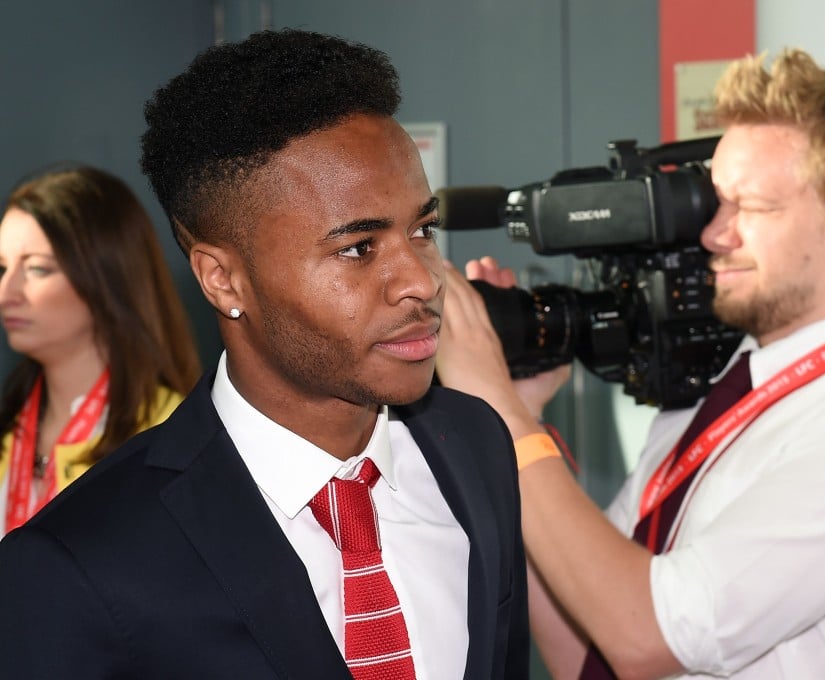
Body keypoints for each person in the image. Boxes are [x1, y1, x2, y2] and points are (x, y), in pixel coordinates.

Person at [0, 29, 528, 680]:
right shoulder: (80, 560)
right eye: (358, 248)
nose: (422, 280)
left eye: (422, 229)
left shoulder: (476, 448)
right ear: (223, 280)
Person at [437, 48, 825, 679]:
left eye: (755, 207)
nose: (716, 234)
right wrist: (516, 418)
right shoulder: (726, 387)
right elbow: (588, 645)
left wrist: (496, 402)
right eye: (718, 203)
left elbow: (643, 635)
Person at [0, 165, 200, 538]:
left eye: (38, 269)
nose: (7, 293)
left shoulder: (172, 434)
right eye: (2, 269)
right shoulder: (10, 427)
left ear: (107, 276)